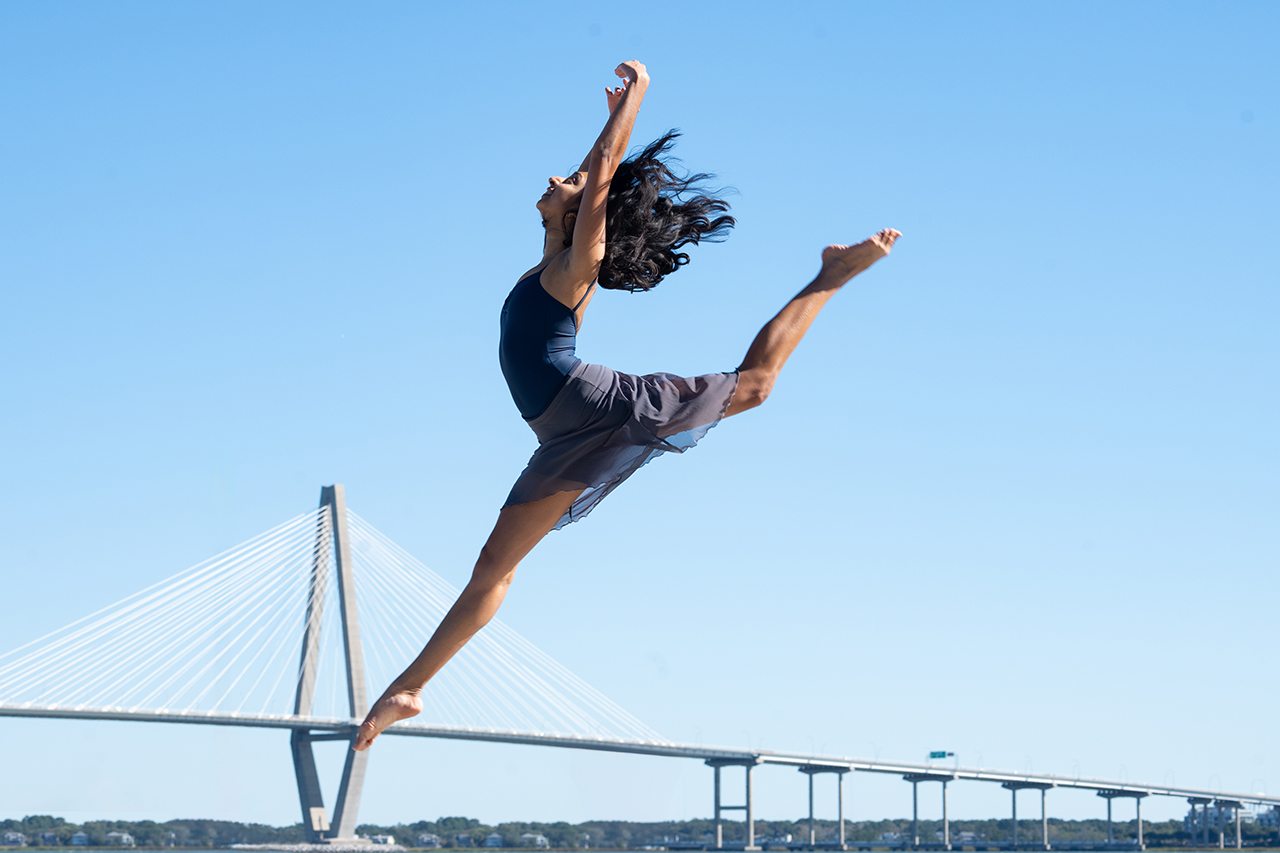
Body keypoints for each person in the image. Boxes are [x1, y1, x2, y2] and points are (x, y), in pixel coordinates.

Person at [353, 60, 899, 751]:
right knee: (494, 565)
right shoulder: (552, 255)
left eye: (571, 183)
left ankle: (831, 275)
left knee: (756, 386)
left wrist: (634, 101)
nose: (557, 178)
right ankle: (409, 688)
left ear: (586, 216)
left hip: (609, 408)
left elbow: (604, 169)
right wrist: (603, 133)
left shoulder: (574, 265)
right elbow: (593, 172)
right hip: (562, 433)